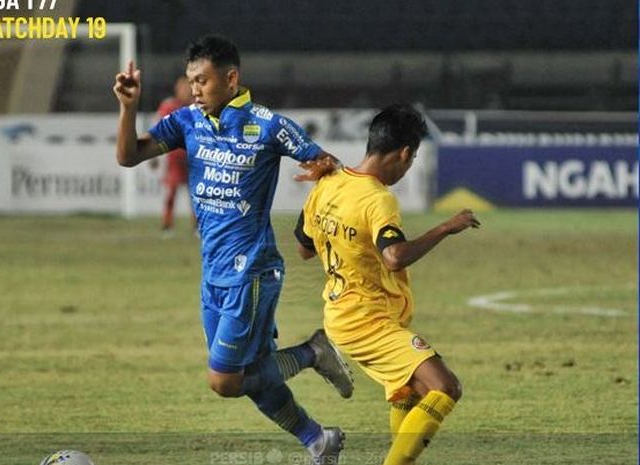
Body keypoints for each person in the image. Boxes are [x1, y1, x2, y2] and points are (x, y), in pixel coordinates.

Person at [113, 35, 351, 463]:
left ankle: (313, 352)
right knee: (248, 376)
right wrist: (129, 107)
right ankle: (318, 440)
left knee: (224, 380)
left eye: (202, 80)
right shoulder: (188, 121)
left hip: (252, 272)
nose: (194, 90)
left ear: (231, 78)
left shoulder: (268, 125)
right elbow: (129, 157)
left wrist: (315, 205)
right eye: (190, 81)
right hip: (213, 274)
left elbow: (325, 164)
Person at [294, 104, 481, 465]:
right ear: (405, 153)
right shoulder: (378, 199)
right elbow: (394, 256)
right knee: (445, 387)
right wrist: (445, 228)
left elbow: (304, 248)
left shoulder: (328, 183)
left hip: (342, 315)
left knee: (410, 392)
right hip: (368, 321)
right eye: (412, 159)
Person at [153, 75, 195, 234]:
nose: (186, 90)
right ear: (177, 89)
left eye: (188, 87)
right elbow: (156, 130)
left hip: (195, 158)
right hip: (174, 158)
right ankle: (167, 225)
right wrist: (154, 155)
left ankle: (198, 227)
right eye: (183, 87)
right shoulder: (168, 106)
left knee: (197, 195)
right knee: (171, 192)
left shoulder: (198, 106)